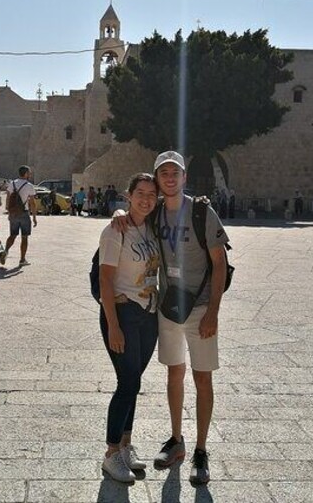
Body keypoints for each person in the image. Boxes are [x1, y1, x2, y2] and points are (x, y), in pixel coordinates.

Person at [114, 150, 229, 484]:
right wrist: (120, 211)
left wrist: (214, 313)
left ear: (184, 178)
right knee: (174, 374)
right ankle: (177, 440)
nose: (169, 178)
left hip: (201, 308)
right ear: (157, 178)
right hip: (168, 308)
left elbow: (219, 263)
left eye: (174, 173)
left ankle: (201, 450)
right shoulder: (157, 211)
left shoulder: (202, 212)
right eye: (163, 173)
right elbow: (133, 214)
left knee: (202, 378)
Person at [98, 173, 161, 483]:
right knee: (127, 383)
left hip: (148, 316)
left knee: (134, 381)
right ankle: (111, 453)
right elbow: (105, 280)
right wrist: (113, 326)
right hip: (121, 313)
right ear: (129, 194)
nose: (146, 199)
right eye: (140, 193)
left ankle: (126, 445)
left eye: (152, 194)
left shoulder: (152, 227)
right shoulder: (115, 230)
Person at [0, 165, 37, 267]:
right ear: (25, 174)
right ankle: (22, 259)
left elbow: (8, 198)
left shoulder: (12, 184)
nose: (30, 174)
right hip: (24, 213)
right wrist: (34, 217)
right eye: (29, 172)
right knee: (24, 237)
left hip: (14, 213)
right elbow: (32, 203)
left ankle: (6, 251)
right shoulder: (29, 186)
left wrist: (8, 212)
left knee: (13, 235)